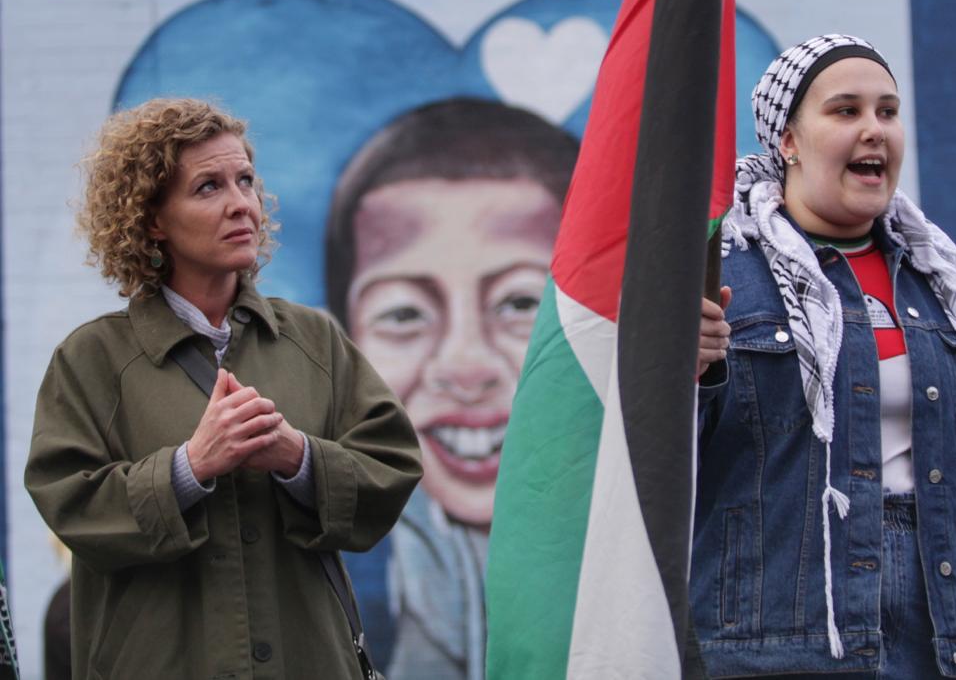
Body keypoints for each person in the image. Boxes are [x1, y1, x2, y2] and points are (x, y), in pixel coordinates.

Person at [25, 98, 422, 679]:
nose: (242, 205)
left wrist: (298, 458)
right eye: (208, 187)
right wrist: (189, 467)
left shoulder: (314, 340)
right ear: (152, 218)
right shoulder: (90, 360)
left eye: (246, 182)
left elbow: (391, 469)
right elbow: (70, 506)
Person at [695, 34, 956, 678]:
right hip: (782, 650)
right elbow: (652, 470)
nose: (874, 130)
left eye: (887, 112)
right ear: (787, 139)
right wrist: (686, 376)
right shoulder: (719, 276)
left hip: (950, 647)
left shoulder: (944, 286)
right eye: (846, 111)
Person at [326, 97, 579, 680]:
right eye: (405, 313)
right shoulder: (333, 555)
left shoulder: (651, 537)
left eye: (520, 303)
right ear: (343, 341)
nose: (465, 367)